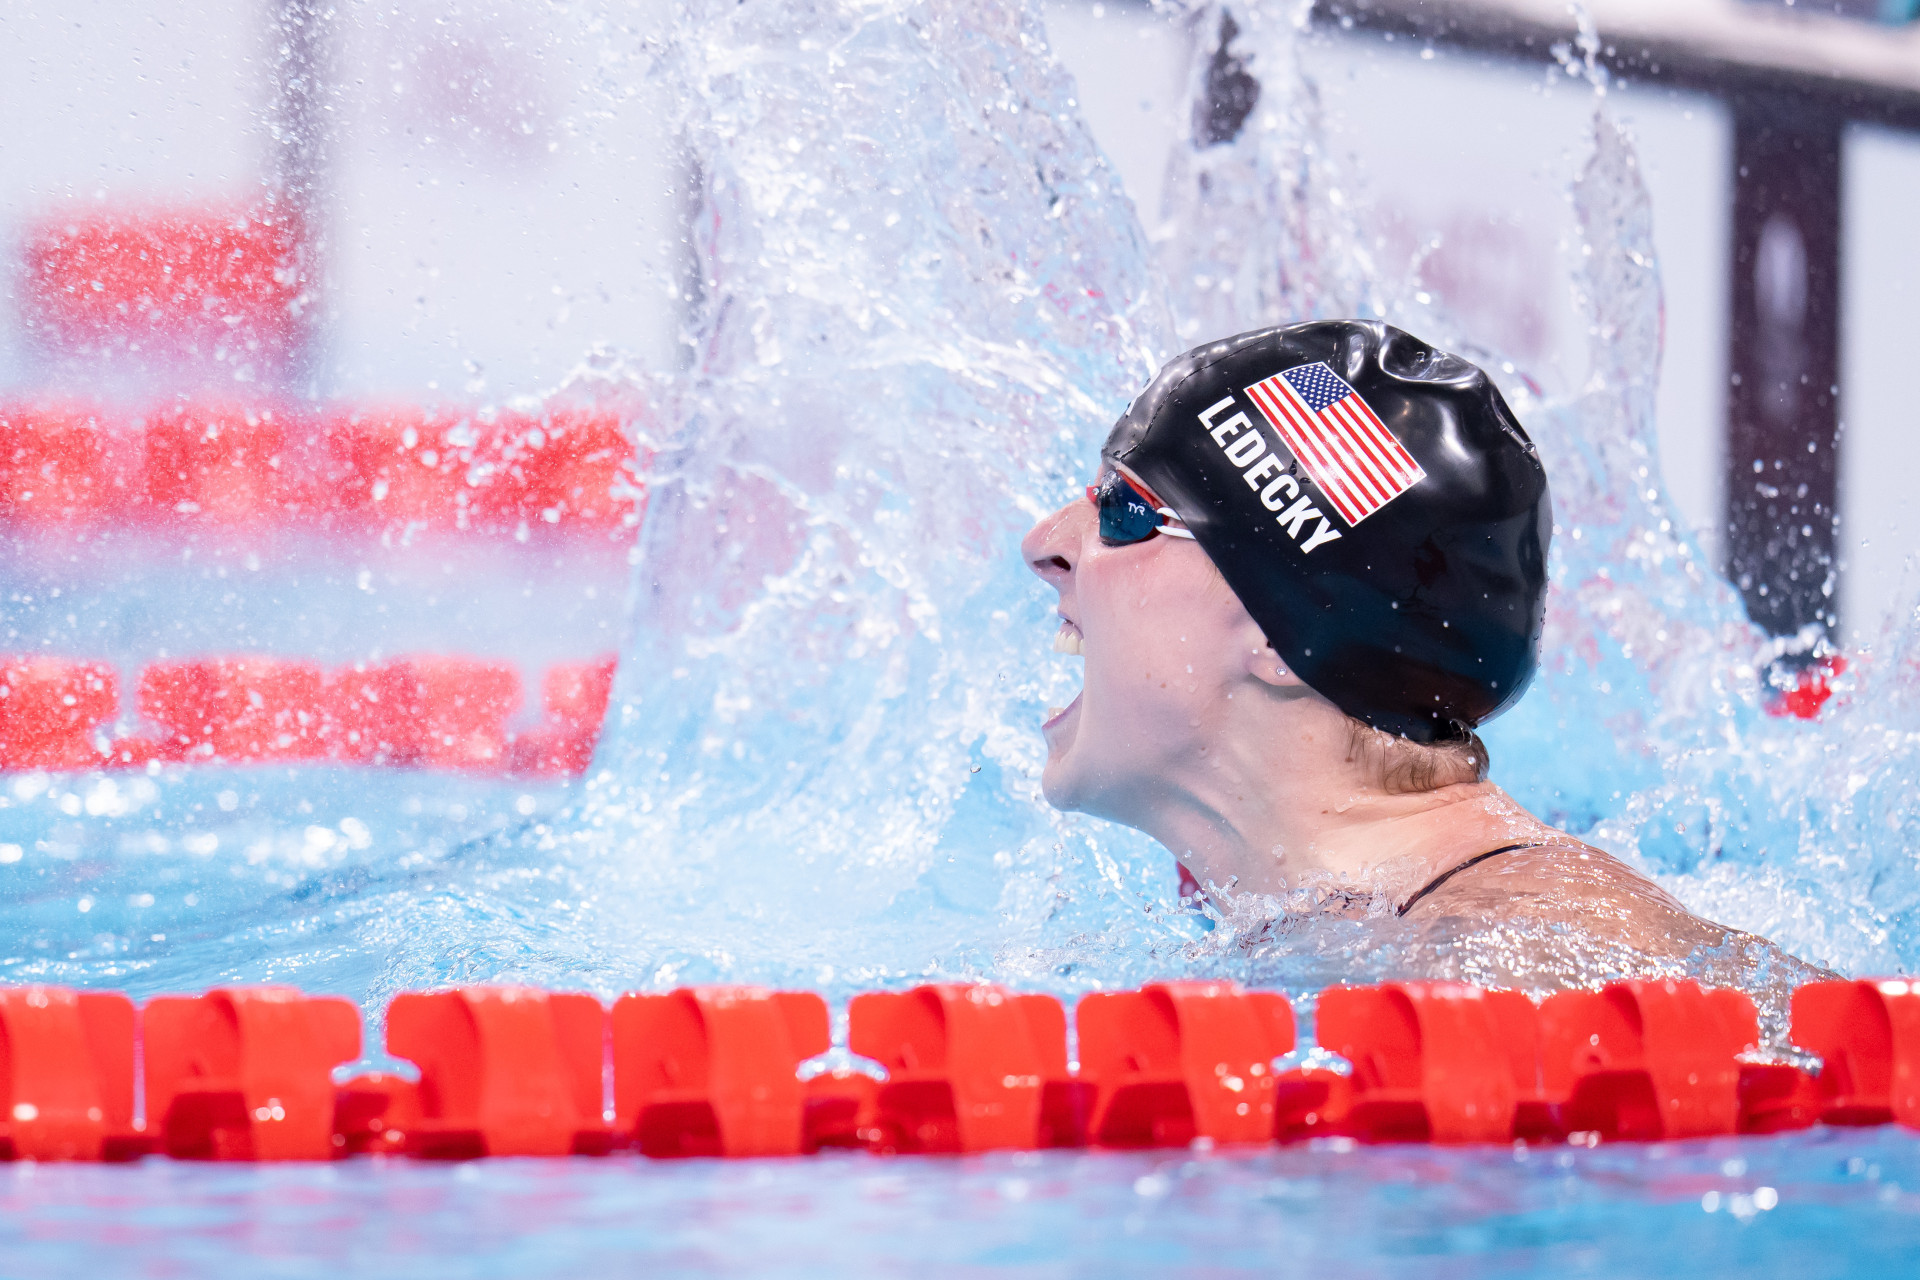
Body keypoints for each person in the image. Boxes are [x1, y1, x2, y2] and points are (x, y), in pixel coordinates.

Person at [1021, 320, 1776, 964]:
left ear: (1288, 631)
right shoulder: (1348, 930)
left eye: (1123, 511)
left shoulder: (1517, 949)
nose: (1044, 542)